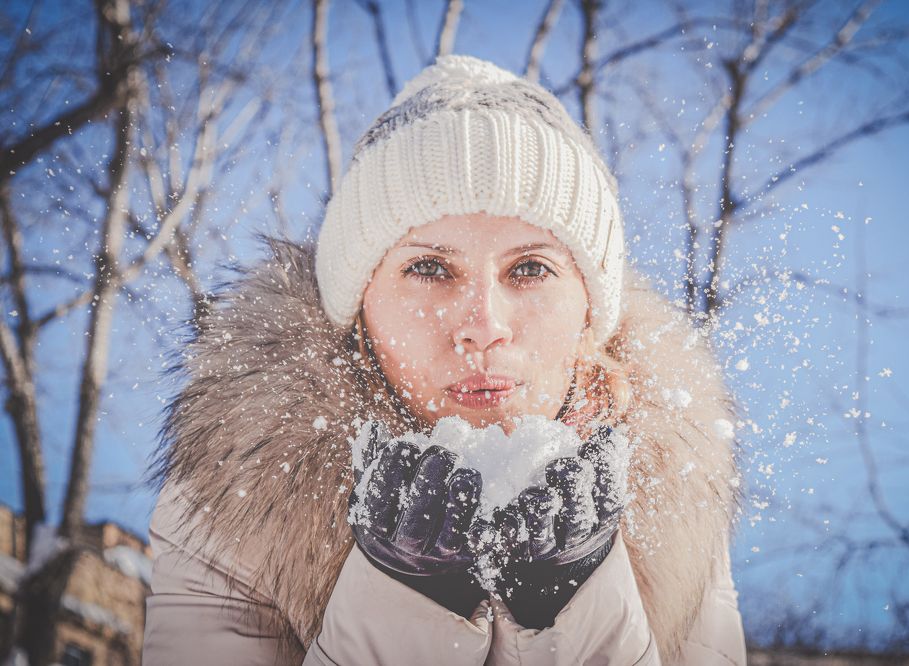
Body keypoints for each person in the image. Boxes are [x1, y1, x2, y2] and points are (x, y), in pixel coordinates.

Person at [141, 54, 747, 665]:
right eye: (429, 268)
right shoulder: (237, 498)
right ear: (358, 309)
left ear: (589, 313)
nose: (482, 327)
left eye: (530, 268)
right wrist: (403, 603)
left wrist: (577, 611)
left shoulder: (679, 507)